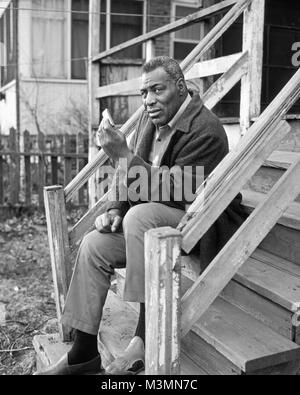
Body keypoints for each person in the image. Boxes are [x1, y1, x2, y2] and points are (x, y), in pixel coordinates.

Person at [34, 56, 246, 375]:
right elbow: (126, 173)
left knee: (141, 217)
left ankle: (144, 338)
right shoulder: (152, 119)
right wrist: (115, 209)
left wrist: (122, 155)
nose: (148, 100)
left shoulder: (207, 129)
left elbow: (180, 190)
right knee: (94, 243)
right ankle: (83, 354)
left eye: (157, 90)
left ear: (180, 87)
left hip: (202, 221)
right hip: (154, 223)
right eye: (144, 93)